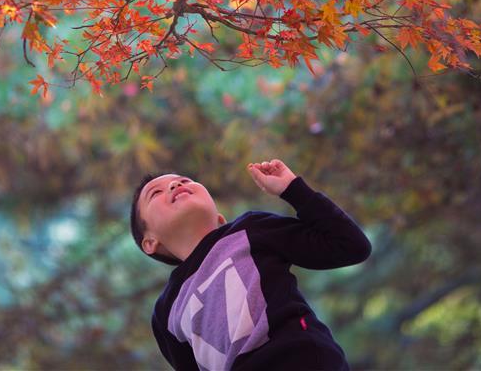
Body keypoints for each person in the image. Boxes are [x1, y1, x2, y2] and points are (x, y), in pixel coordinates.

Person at [129, 159, 372, 370]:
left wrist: (293, 189)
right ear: (150, 242)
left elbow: (351, 246)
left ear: (219, 219)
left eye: (184, 180)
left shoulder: (251, 230)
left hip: (301, 359)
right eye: (156, 193)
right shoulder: (166, 312)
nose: (175, 185)